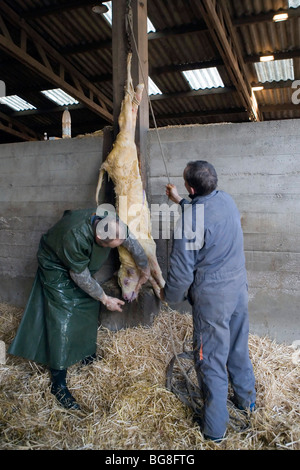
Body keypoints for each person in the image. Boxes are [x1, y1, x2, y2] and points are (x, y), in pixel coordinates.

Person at [8, 208, 150, 410]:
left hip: (78, 265)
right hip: (55, 265)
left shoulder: (111, 222)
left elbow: (130, 241)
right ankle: (58, 382)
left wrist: (144, 267)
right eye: (110, 247)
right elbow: (79, 276)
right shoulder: (73, 237)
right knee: (63, 313)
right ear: (99, 236)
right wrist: (104, 298)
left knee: (88, 304)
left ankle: (86, 354)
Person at [161, 161, 256, 442]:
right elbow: (203, 216)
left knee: (210, 359)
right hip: (238, 288)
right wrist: (179, 200)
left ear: (192, 188)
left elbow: (179, 272)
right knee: (237, 347)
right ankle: (247, 403)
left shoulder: (190, 220)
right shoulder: (225, 200)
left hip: (214, 296)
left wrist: (170, 297)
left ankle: (214, 432)